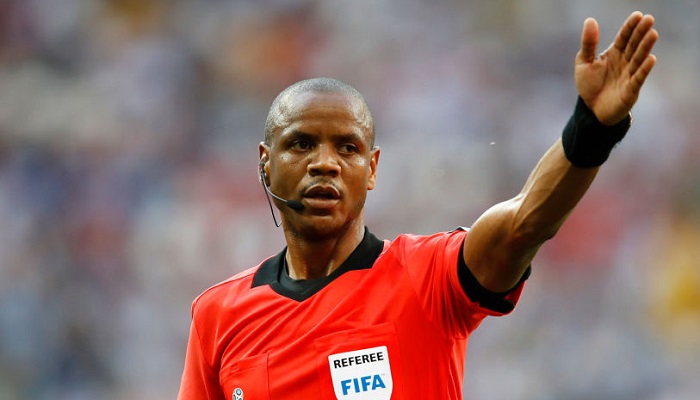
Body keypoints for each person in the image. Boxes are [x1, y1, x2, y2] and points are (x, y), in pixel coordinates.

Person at [178, 11, 658, 400]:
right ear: (266, 162)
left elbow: (522, 225)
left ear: (372, 169)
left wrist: (591, 128)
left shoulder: (426, 278)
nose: (325, 163)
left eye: (347, 148)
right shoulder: (219, 315)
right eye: (302, 144)